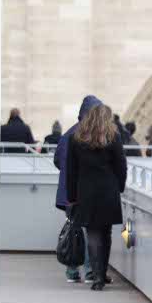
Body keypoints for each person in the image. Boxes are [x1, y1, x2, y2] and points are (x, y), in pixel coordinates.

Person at [65, 104, 127, 292]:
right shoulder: (113, 137)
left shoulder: (77, 139)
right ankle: (101, 274)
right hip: (108, 190)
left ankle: (96, 278)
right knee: (105, 234)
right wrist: (120, 187)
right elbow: (121, 165)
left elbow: (71, 171)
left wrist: (72, 196)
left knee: (92, 233)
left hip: (86, 192)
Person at [55, 95, 101, 283]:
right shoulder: (98, 136)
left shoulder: (68, 135)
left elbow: (57, 160)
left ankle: (72, 272)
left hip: (71, 192)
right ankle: (90, 272)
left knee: (74, 229)